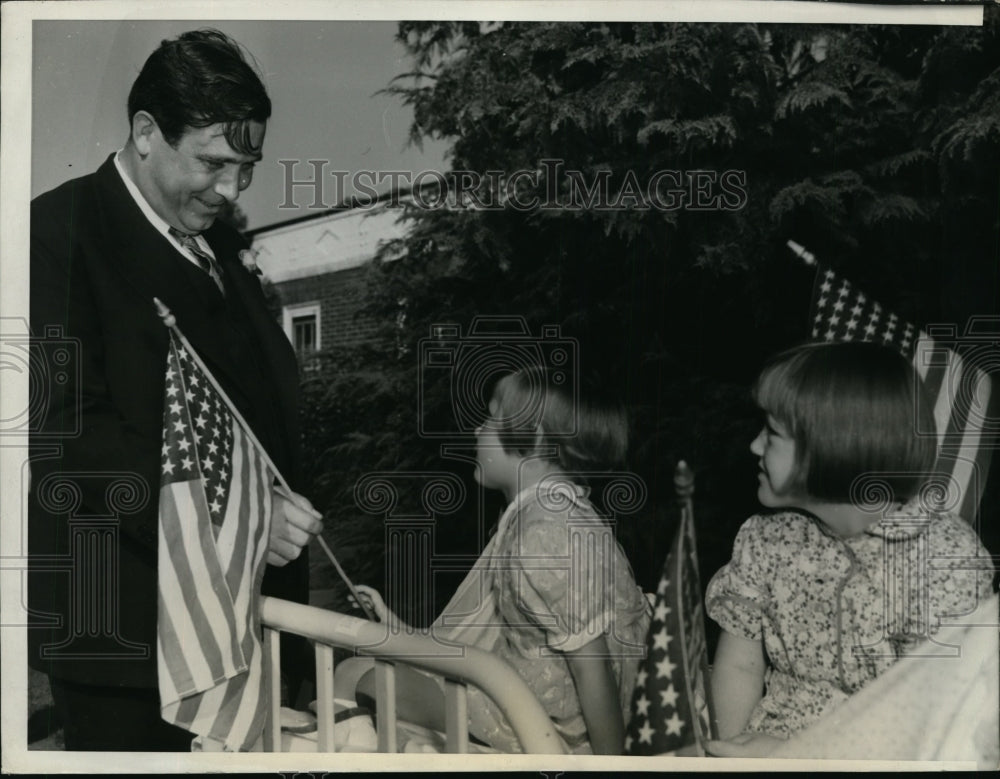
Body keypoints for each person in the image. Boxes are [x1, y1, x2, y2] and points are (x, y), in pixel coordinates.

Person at [28, 29, 322, 751]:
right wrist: (247, 518)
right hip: (127, 648)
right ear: (146, 132)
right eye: (214, 163)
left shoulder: (223, 250)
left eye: (246, 168)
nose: (231, 190)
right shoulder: (55, 232)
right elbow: (70, 439)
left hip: (251, 631)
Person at [704, 341, 995, 758]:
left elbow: (936, 726)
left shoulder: (944, 562)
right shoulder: (765, 540)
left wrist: (793, 757)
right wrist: (727, 755)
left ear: (833, 446)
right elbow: (739, 666)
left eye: (771, 433)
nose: (754, 446)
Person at [341, 366, 652, 754]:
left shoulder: (547, 535)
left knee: (357, 678)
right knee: (359, 669)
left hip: (537, 722)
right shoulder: (550, 513)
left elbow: (595, 670)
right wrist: (394, 625)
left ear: (535, 439)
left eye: (490, 417)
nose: (477, 430)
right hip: (523, 694)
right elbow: (474, 631)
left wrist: (611, 766)